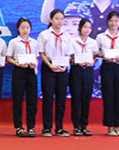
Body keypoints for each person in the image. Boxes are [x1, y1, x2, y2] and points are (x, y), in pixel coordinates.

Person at [38, 9, 73, 137]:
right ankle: (47, 128)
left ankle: (59, 127)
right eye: (57, 18)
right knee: (48, 99)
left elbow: (69, 53)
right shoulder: (44, 35)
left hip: (63, 69)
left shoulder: (67, 36)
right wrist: (50, 65)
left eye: (62, 19)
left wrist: (65, 66)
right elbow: (41, 53)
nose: (60, 21)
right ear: (51, 20)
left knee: (61, 99)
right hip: (49, 68)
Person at [96, 11, 119, 136]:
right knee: (108, 96)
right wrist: (104, 56)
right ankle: (110, 126)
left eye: (116, 21)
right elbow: (96, 53)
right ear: (107, 22)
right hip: (107, 67)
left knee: (118, 96)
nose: (113, 23)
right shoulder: (101, 37)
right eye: (111, 21)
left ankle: (117, 126)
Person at [6, 17, 39, 138]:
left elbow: (36, 57)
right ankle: (19, 126)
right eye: (22, 27)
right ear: (18, 29)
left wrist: (34, 63)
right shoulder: (13, 42)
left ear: (30, 29)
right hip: (19, 71)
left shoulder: (34, 42)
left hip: (31, 72)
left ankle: (31, 126)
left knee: (32, 100)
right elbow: (9, 58)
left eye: (27, 27)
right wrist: (18, 64)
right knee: (18, 99)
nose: (25, 30)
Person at [69, 18, 97, 136]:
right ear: (80, 28)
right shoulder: (72, 41)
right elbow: (69, 58)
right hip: (76, 70)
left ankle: (84, 125)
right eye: (85, 27)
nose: (87, 30)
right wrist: (76, 62)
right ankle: (76, 126)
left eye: (89, 28)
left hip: (88, 71)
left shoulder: (93, 42)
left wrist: (91, 62)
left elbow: (94, 57)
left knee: (86, 98)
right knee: (76, 98)